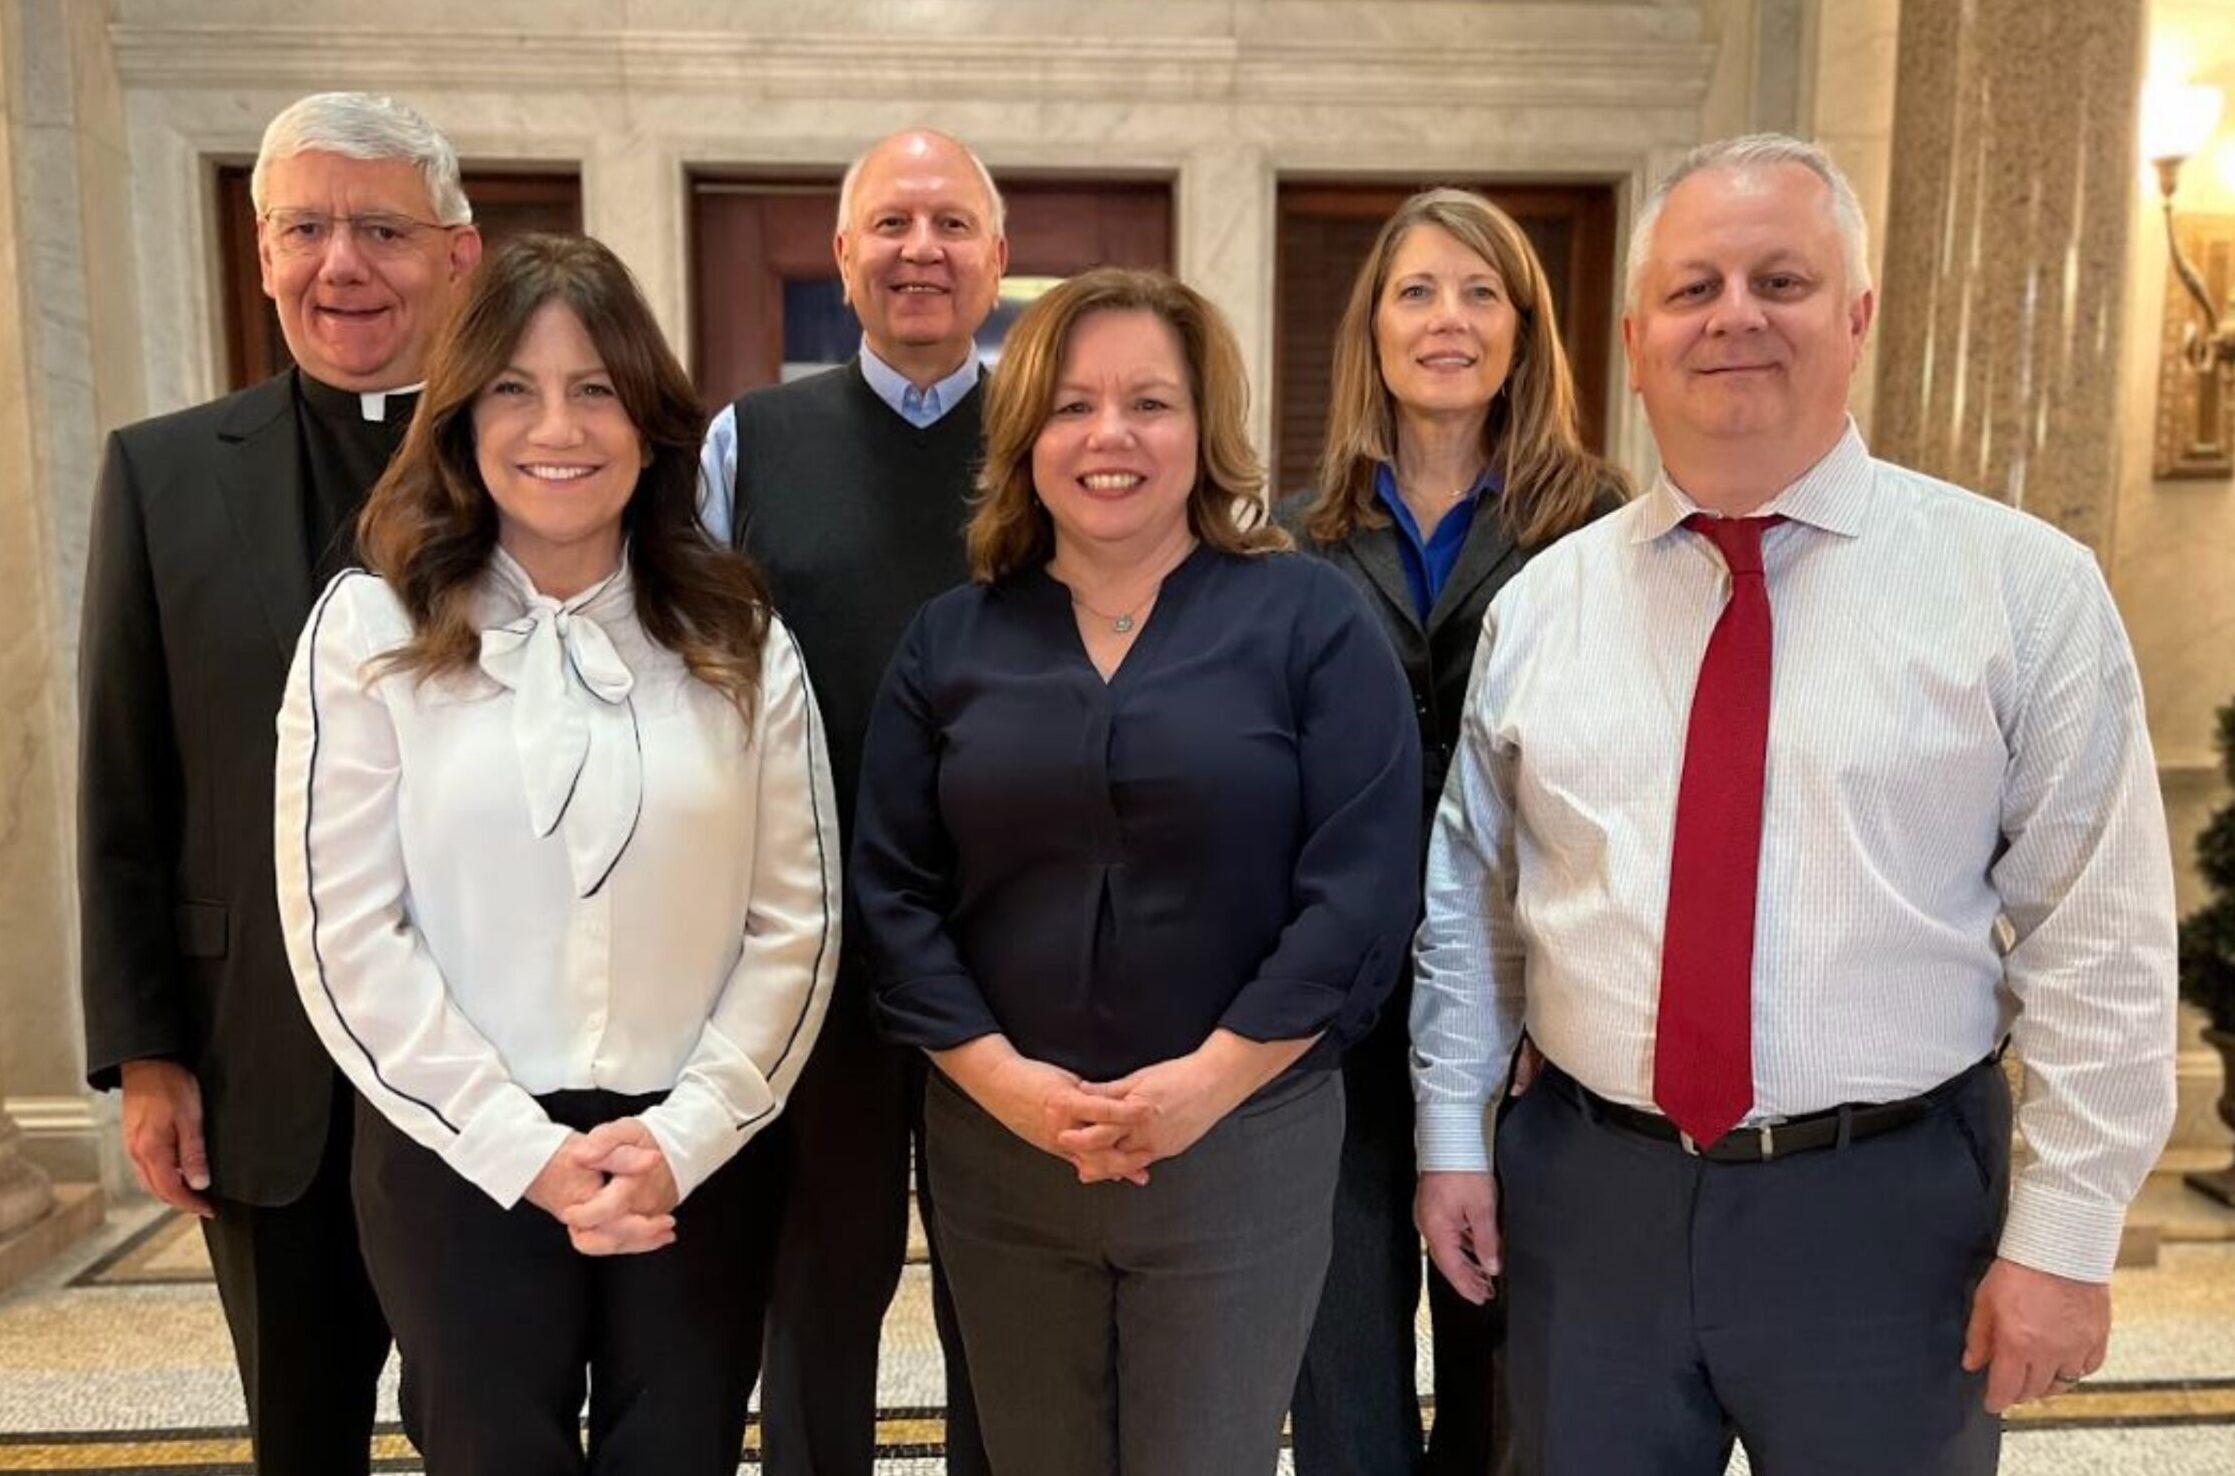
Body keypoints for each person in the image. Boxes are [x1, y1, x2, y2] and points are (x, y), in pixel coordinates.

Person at [1411, 133, 2178, 1475]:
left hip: (1885, 1211)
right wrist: (1449, 1142)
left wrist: (2061, 1239)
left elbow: (2097, 939)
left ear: (1856, 317)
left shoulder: (2020, 590)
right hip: (1593, 1203)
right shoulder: (1542, 608)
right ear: (1636, 336)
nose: (1734, 318)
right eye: (1695, 288)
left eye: (1780, 280)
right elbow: (1474, 914)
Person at [271, 232, 838, 1471]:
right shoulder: (371, 625)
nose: (557, 427)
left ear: (647, 422)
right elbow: (343, 931)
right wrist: (519, 1151)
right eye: (516, 389)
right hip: (457, 1156)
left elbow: (796, 925)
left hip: (696, 1158)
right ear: (464, 417)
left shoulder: (740, 638)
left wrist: (684, 1138)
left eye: (595, 388)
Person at [852, 266, 1423, 1476]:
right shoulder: (949, 640)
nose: (1109, 435)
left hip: (1242, 1146)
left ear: (1204, 431)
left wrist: (1205, 1085)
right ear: (1026, 435)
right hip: (1002, 1149)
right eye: (1071, 404)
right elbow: (893, 894)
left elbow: (1362, 887)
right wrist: (1007, 1086)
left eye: (1149, 403)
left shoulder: (1312, 623)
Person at [76, 91, 481, 1475]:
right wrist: (145, 1054)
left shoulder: (546, 464)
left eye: (380, 228)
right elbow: (126, 784)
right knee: (300, 1440)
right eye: (302, 228)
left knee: (490, 1426)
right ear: (261, 255)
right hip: (260, 1064)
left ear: (458, 256)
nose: (340, 264)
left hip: (495, 1059)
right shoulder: (161, 474)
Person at [1280, 187, 1625, 1476]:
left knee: (1513, 1357)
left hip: (1536, 1006)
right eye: (1418, 291)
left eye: (1483, 293)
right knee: (1345, 1359)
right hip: (1345, 1012)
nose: (1449, 320)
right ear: (1371, 329)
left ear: (1526, 332)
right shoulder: (1298, 542)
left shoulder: (1600, 526)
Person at [696, 125, 1004, 1476]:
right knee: (819, 1290)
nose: (918, 249)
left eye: (949, 224)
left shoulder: (1059, 438)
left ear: (997, 258)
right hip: (807, 950)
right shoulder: (746, 443)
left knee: (1003, 1292)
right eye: (889, 223)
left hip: (1016, 945)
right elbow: (686, 687)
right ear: (840, 256)